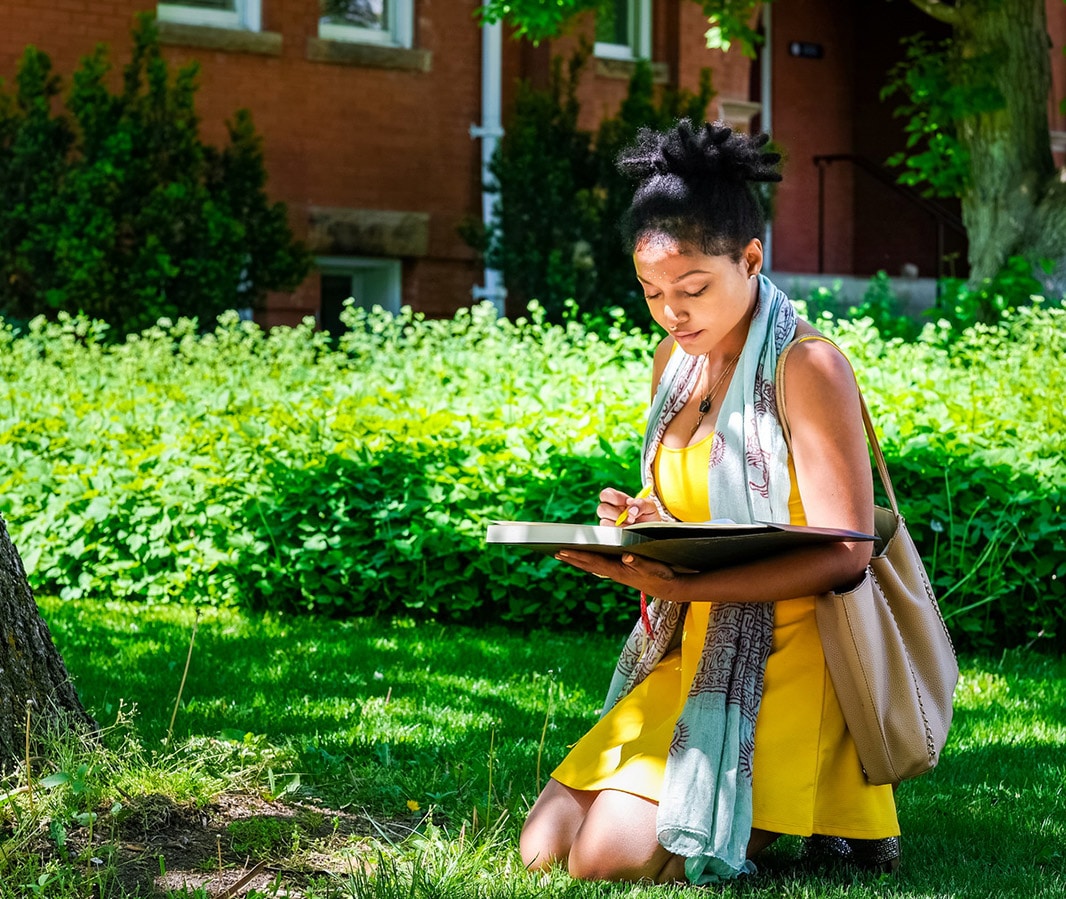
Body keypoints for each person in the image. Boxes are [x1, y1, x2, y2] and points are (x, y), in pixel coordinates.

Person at [518, 119, 901, 886]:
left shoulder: (809, 366)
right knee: (542, 846)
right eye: (652, 292)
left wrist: (687, 584)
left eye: (692, 289)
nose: (671, 312)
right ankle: (810, 812)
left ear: (751, 259)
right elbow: (696, 505)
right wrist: (645, 522)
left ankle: (836, 796)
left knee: (603, 861)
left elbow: (847, 552)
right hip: (696, 641)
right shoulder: (675, 362)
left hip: (793, 653)